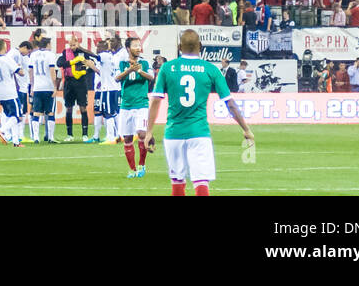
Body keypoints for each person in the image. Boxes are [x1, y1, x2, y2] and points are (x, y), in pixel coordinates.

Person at [145, 29, 254, 196]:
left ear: (179, 47)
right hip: (199, 133)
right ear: (200, 46)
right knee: (201, 182)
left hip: (173, 133)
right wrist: (246, 129)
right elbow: (230, 103)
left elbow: (155, 101)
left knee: (177, 182)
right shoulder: (211, 69)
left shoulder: (167, 68)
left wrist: (149, 132)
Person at [117, 37, 156, 178]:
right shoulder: (121, 62)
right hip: (126, 104)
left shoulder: (145, 62)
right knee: (127, 138)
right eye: (135, 45)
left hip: (141, 103)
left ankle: (142, 165)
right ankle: (132, 169)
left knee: (141, 134)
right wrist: (129, 70)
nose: (138, 48)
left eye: (139, 45)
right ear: (128, 48)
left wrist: (139, 70)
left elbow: (151, 78)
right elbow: (116, 78)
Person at [57, 32, 98, 142]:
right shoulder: (65, 52)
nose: (72, 47)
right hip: (69, 82)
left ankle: (85, 134)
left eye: (74, 45)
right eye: (70, 45)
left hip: (81, 82)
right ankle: (69, 135)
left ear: (78, 44)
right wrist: (71, 62)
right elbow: (60, 63)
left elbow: (93, 60)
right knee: (69, 108)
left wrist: (87, 68)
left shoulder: (83, 53)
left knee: (82, 107)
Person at [28, 37, 60, 143]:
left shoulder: (33, 54)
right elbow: (52, 71)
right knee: (50, 112)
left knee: (36, 112)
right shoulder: (50, 55)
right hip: (48, 87)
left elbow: (30, 71)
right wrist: (55, 87)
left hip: (37, 87)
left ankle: (36, 138)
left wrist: (32, 86)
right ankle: (50, 137)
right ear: (47, 45)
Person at [92, 37, 122, 144]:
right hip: (114, 88)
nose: (96, 49)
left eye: (98, 47)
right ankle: (118, 134)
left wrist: (80, 48)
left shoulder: (103, 56)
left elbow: (94, 57)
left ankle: (110, 137)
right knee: (114, 112)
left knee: (108, 113)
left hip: (108, 89)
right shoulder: (113, 56)